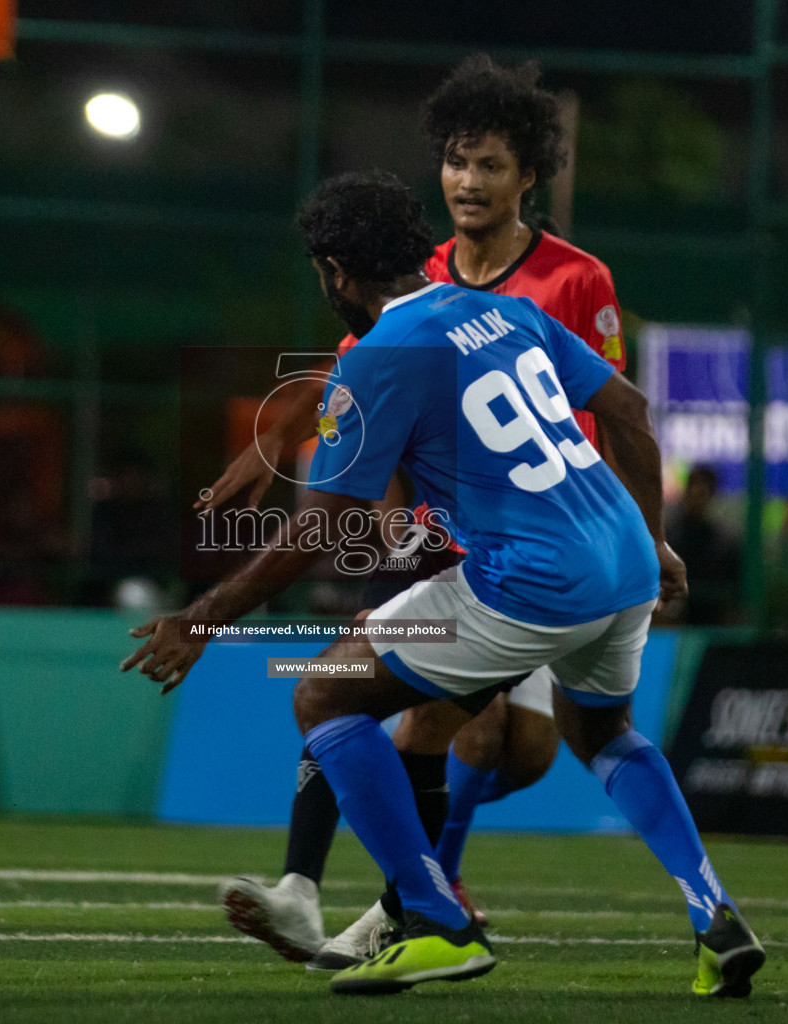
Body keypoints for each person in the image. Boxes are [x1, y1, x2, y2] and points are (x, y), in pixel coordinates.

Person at [124, 171, 763, 996]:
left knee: (324, 695)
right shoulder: (505, 309)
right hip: (624, 560)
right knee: (600, 732)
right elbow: (632, 411)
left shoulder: (379, 356)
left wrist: (204, 617)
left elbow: (326, 526)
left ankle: (434, 919)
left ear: (335, 271)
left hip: (530, 578)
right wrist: (656, 539)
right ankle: (714, 914)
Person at [199, 55, 635, 966]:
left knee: (520, 753)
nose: (468, 181)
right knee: (392, 701)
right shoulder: (421, 269)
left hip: (550, 531)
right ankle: (376, 895)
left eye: (488, 165)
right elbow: (361, 375)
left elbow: (601, 410)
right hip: (459, 537)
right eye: (455, 161)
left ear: (528, 175)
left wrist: (631, 533)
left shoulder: (573, 279)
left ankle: (415, 898)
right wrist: (279, 440)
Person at [660, 466, 739, 624]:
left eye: (702, 493)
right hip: (674, 625)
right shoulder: (669, 537)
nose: (696, 500)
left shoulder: (721, 543)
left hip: (709, 624)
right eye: (692, 491)